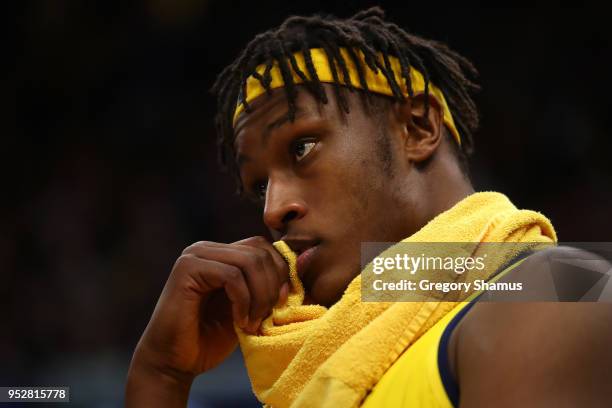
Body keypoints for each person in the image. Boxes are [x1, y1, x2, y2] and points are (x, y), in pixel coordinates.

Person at [125, 7, 612, 407]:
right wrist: (162, 375)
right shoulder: (332, 356)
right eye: (259, 188)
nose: (272, 211)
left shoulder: (554, 290)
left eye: (301, 148)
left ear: (417, 128)